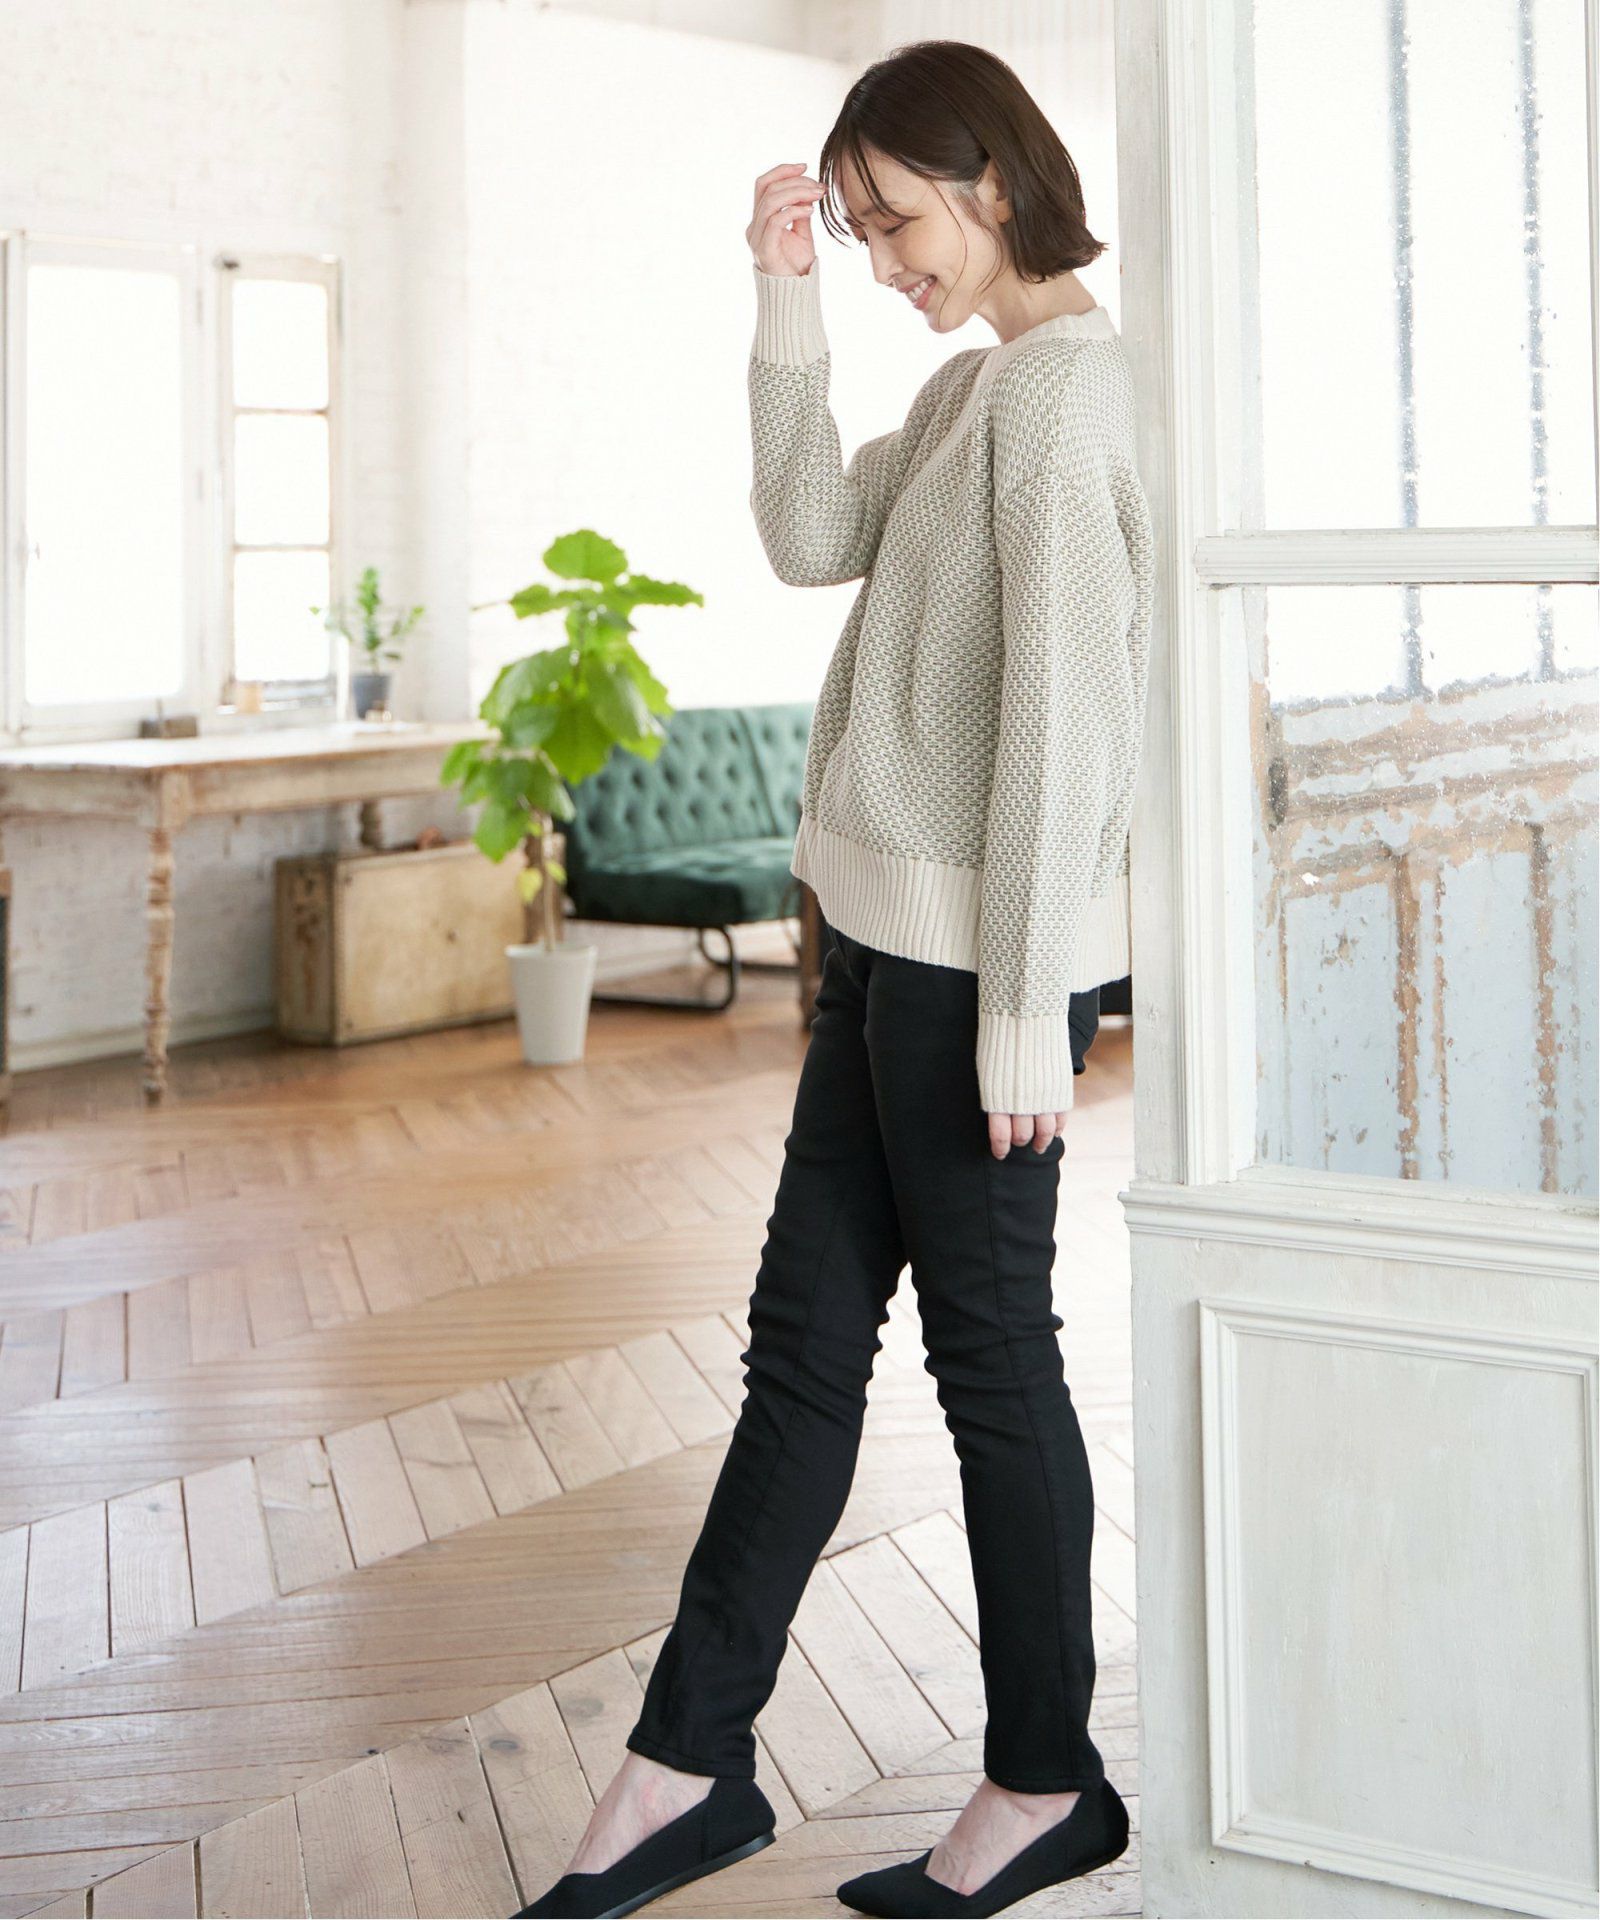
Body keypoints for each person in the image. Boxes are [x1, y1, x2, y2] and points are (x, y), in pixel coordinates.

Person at [517, 36, 1152, 1920]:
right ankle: (684, 1769)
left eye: (893, 224)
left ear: (992, 178)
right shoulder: (973, 391)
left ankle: (1043, 1779)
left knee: (990, 1364)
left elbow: (1065, 728)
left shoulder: (1070, 399)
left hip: (976, 976)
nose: (885, 264)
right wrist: (782, 295)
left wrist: (1028, 1007)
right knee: (803, 1348)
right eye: (857, 232)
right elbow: (807, 534)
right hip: (886, 949)